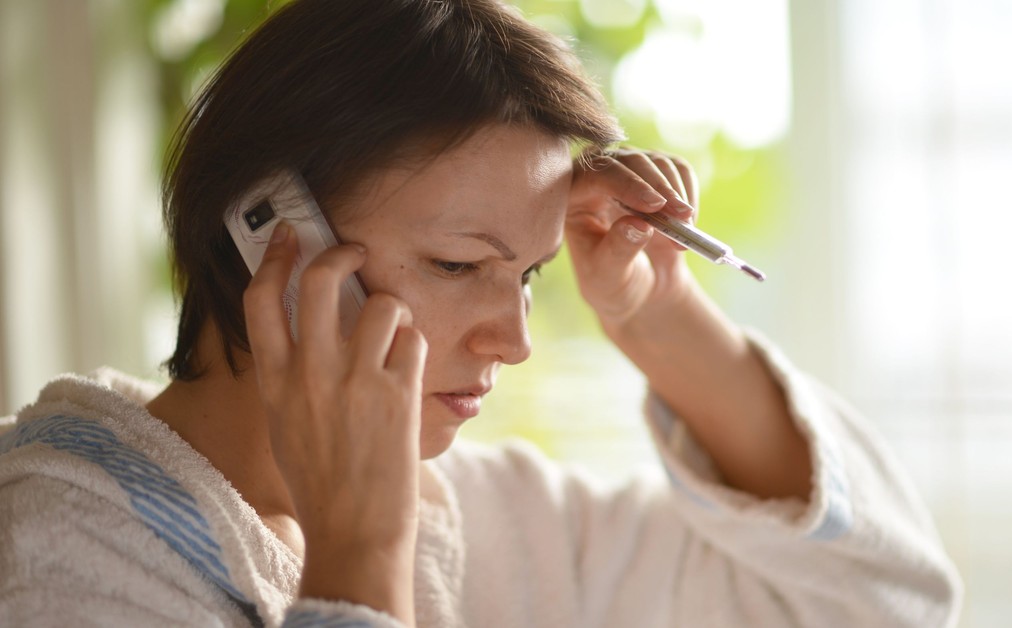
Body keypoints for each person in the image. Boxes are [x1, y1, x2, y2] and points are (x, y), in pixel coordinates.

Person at [0, 0, 961, 626]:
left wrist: (657, 312)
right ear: (271, 236)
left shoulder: (485, 520)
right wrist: (360, 553)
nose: (517, 341)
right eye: (459, 264)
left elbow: (875, 602)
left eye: (531, 273)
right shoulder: (55, 553)